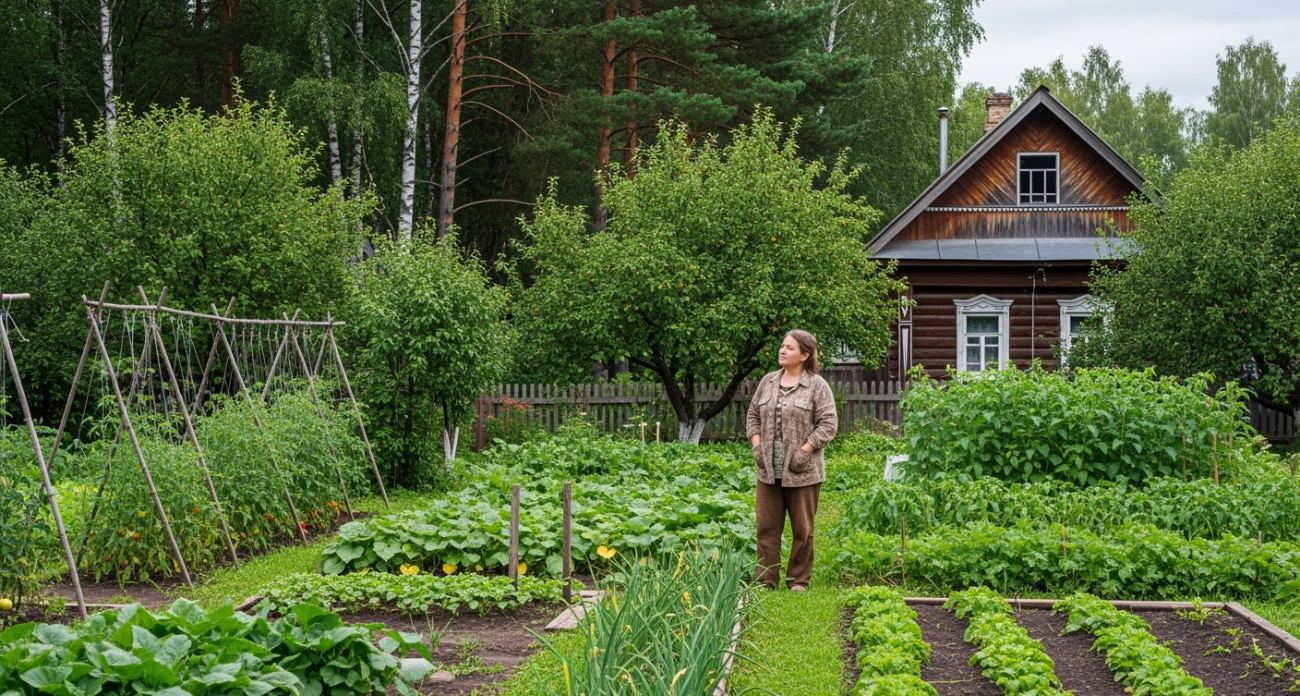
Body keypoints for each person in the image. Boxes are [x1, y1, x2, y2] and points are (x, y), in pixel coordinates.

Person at [745, 329, 837, 591]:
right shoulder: (768, 382)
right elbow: (753, 415)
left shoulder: (817, 386)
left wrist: (805, 450)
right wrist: (757, 448)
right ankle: (766, 580)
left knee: (803, 529)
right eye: (782, 346)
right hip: (768, 469)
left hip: (803, 471)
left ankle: (798, 580)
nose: (782, 350)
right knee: (766, 528)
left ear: (805, 355)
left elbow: (829, 424)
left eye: (789, 348)